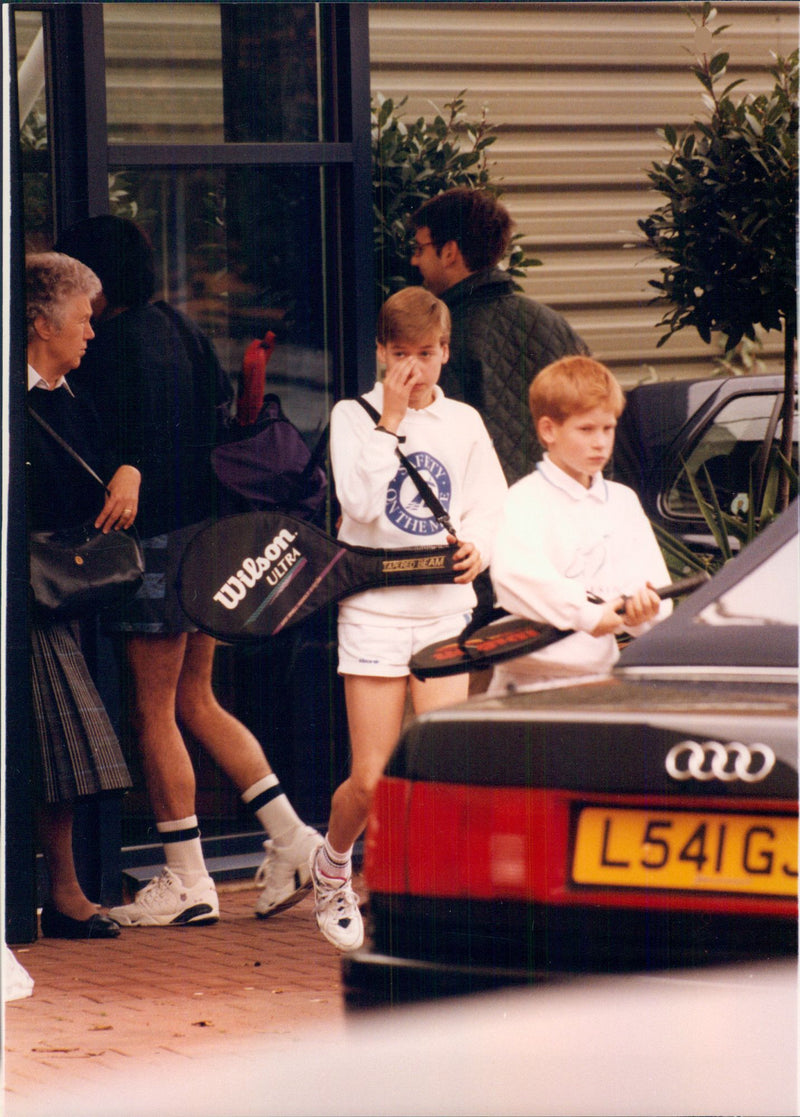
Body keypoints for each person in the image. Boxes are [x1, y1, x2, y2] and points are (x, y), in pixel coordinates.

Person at [54, 216, 320, 926]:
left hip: (152, 546)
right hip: (208, 536)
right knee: (197, 700)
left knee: (152, 709)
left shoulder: (106, 349)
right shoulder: (181, 330)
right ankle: (294, 837)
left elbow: (105, 442)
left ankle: (188, 877)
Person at [310, 286, 507, 950]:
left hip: (443, 608)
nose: (414, 369)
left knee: (441, 765)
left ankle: (421, 896)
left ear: (445, 351)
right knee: (371, 777)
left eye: (425, 353)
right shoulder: (351, 414)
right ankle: (333, 863)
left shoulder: (465, 423)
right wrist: (388, 421)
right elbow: (361, 506)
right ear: (381, 352)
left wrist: (482, 547)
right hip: (372, 608)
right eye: (401, 354)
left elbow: (489, 505)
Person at [26, 251, 141, 939]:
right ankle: (62, 892)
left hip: (53, 593)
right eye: (80, 322)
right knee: (63, 746)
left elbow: (113, 448)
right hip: (23, 591)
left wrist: (128, 468)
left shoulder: (71, 394)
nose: (92, 334)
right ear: (40, 323)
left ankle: (65, 892)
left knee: (62, 752)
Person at [490, 355, 672, 681]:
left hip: (599, 674)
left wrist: (646, 609)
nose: (600, 442)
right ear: (549, 430)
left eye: (608, 428)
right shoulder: (525, 498)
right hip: (530, 676)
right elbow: (514, 577)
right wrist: (586, 614)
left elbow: (654, 587)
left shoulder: (622, 501)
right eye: (586, 429)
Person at [410, 188, 590, 486]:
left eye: (419, 249)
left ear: (450, 252)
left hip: (483, 522)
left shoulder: (439, 339)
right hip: (559, 513)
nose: (415, 261)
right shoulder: (554, 325)